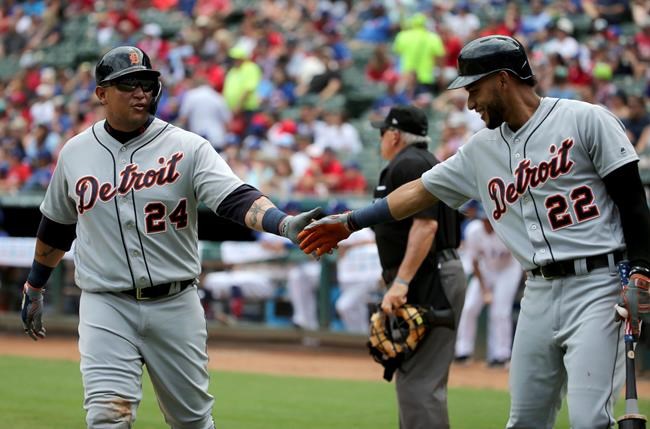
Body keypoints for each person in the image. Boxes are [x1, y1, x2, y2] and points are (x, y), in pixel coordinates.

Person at [298, 35, 650, 429]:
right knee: (524, 421)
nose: (469, 102)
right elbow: (417, 191)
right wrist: (349, 222)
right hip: (536, 291)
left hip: (598, 285)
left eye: (474, 88)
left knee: (589, 421)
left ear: (502, 79)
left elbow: (634, 202)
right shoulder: (480, 149)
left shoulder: (586, 119)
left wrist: (641, 268)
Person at [19, 46, 322, 429]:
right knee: (106, 417)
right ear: (100, 94)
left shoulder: (187, 147)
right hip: (105, 303)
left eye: (147, 83)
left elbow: (234, 197)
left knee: (191, 421)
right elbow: (57, 227)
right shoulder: (76, 153)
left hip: (175, 303)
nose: (140, 92)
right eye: (127, 85)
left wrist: (282, 223)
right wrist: (35, 283)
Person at [329, 105, 468, 428]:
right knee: (416, 381)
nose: (379, 138)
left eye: (382, 132)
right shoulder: (419, 162)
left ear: (394, 135)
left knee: (419, 385)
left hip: (429, 276)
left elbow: (425, 226)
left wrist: (401, 282)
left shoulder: (409, 164)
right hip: (432, 271)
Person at [454, 206, 523, 367]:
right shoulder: (473, 231)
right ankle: (463, 351)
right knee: (469, 307)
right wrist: (485, 289)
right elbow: (475, 262)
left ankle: (501, 355)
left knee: (500, 312)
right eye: (484, 219)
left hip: (508, 270)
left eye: (489, 218)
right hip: (485, 271)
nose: (487, 222)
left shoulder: (507, 230)